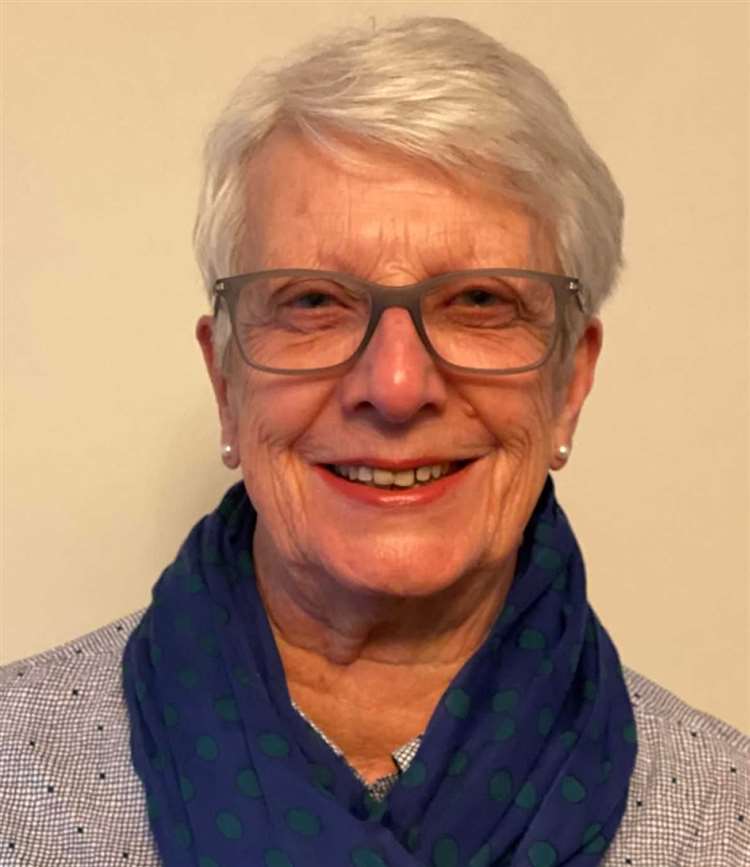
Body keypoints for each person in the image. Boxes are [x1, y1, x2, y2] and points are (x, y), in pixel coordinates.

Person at [0, 16, 747, 867]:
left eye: (479, 302)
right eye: (314, 302)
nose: (394, 386)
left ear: (569, 383)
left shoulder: (727, 814)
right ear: (226, 383)